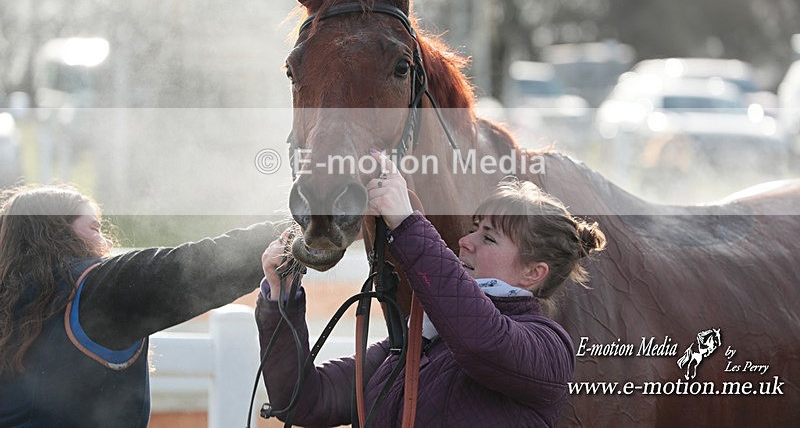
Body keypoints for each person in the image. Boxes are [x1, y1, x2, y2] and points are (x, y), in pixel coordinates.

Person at [256, 150, 606, 427]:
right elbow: (303, 401)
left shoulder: (549, 348)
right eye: (473, 229)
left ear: (533, 273)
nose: (465, 242)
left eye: (488, 237)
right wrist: (281, 298)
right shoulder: (416, 341)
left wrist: (408, 224)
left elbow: (479, 338)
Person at [0, 184, 279, 427]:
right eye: (94, 228)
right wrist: (294, 230)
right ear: (56, 233)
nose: (106, 242)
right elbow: (195, 268)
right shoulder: (98, 292)